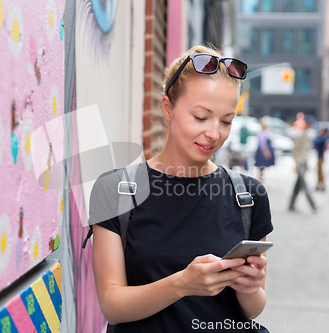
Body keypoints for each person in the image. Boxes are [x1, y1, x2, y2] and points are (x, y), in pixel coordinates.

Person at [89, 45, 274, 333]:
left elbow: (254, 308)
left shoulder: (249, 197)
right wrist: (182, 284)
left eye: (226, 121)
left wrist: (249, 288)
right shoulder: (116, 190)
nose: (215, 134)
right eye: (201, 117)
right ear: (168, 109)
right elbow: (112, 305)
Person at [289, 112, 317, 212]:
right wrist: (296, 165)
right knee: (304, 185)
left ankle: (291, 205)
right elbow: (295, 151)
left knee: (298, 185)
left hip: (305, 162)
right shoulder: (299, 135)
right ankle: (313, 205)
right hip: (300, 163)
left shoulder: (307, 135)